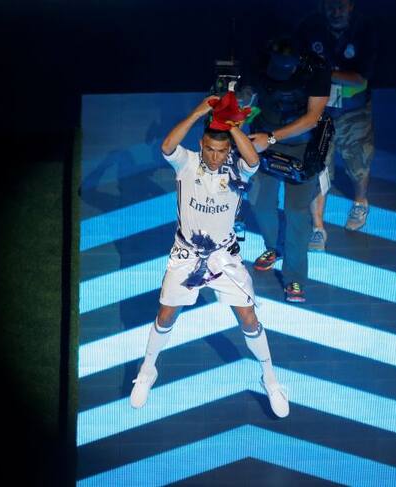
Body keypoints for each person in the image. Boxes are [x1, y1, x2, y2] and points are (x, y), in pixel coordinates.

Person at [129, 95, 289, 418]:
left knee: (248, 318)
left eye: (222, 150)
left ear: (229, 149)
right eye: (210, 149)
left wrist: (231, 126)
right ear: (202, 144)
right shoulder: (186, 163)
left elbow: (253, 160)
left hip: (223, 257)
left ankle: (270, 378)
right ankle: (147, 370)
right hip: (187, 254)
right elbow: (167, 146)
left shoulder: (238, 171)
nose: (215, 157)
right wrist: (198, 113)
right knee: (166, 315)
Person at [246, 37, 330, 303]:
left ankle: (295, 277)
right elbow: (249, 92)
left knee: (296, 213)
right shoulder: (260, 61)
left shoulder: (317, 69)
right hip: (263, 140)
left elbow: (312, 118)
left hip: (301, 147)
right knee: (259, 202)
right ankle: (274, 247)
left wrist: (271, 138)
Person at [296, 0, 378, 249]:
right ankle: (317, 227)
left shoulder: (365, 30)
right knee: (318, 168)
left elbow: (360, 79)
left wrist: (323, 73)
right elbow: (299, 67)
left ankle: (360, 202)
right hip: (319, 111)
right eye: (331, 6)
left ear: (351, 6)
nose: (336, 12)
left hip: (354, 110)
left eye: (341, 6)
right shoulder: (308, 27)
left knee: (359, 164)